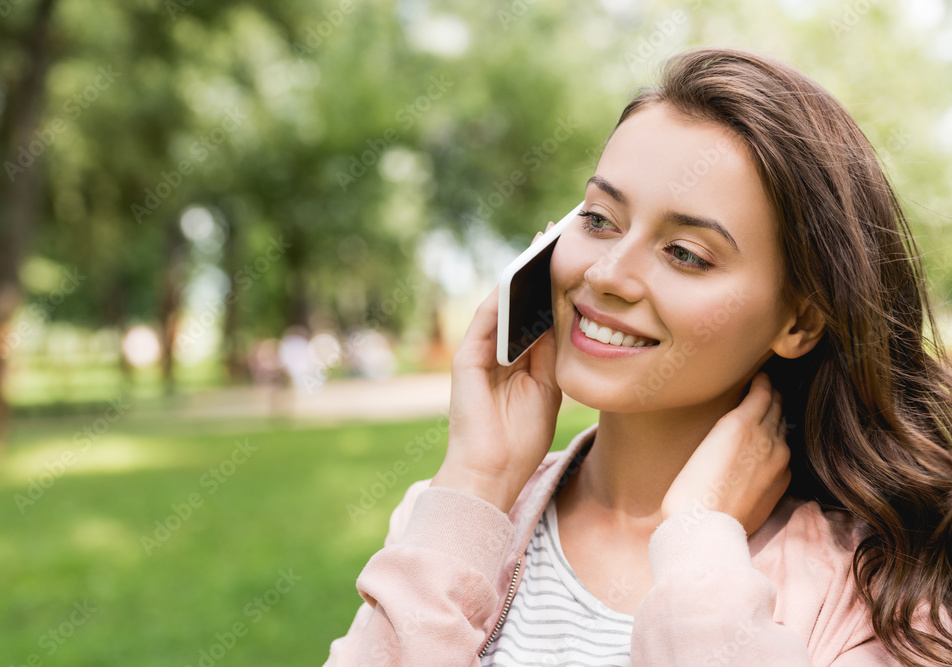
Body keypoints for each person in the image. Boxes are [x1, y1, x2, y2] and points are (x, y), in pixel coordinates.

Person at [324, 47, 952, 666]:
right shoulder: (451, 520)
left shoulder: (882, 593)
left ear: (800, 320)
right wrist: (478, 480)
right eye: (599, 219)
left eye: (685, 253)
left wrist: (700, 548)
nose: (606, 273)